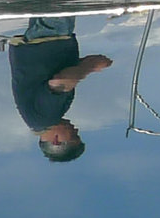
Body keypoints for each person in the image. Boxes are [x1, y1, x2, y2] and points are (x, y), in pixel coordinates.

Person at [8, 16, 112, 163]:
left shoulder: (46, 118)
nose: (76, 130)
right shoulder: (37, 119)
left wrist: (91, 66)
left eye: (74, 136)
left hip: (50, 38)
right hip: (42, 41)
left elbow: (59, 81)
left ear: (56, 141)